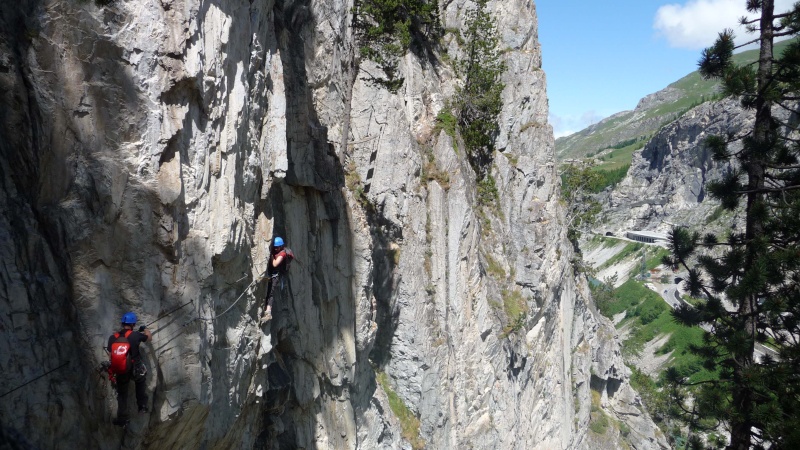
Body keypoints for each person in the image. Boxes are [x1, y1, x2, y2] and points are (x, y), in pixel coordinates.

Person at [107, 312, 151, 426]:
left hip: (121, 369)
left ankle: (122, 419)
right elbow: (148, 338)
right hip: (135, 368)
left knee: (122, 393)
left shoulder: (113, 337)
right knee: (140, 382)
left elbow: (110, 354)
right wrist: (145, 329)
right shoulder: (135, 335)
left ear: (122, 323)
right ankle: (142, 406)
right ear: (133, 324)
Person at [261, 236, 293, 322]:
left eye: (277, 247)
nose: (275, 249)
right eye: (274, 247)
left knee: (271, 293)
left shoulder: (282, 254)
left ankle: (268, 312)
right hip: (273, 274)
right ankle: (267, 311)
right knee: (269, 292)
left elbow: (275, 264)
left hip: (276, 276)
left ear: (281, 246)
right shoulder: (278, 251)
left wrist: (271, 256)